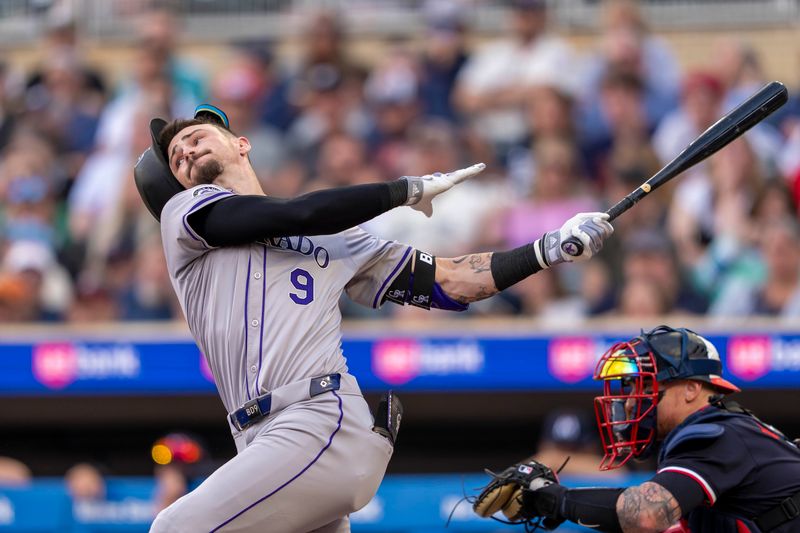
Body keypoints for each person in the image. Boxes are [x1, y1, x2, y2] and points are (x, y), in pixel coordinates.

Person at [133, 103, 613, 532]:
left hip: (317, 420)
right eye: (176, 157)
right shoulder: (185, 215)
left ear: (241, 143)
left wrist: (548, 249)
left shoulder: (339, 239)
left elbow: (452, 282)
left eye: (196, 138)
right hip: (258, 441)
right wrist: (404, 190)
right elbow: (296, 215)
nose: (187, 153)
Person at [473, 325, 800, 532]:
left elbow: (643, 516)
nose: (630, 402)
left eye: (641, 387)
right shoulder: (721, 434)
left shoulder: (714, 432)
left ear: (691, 389)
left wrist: (554, 499)